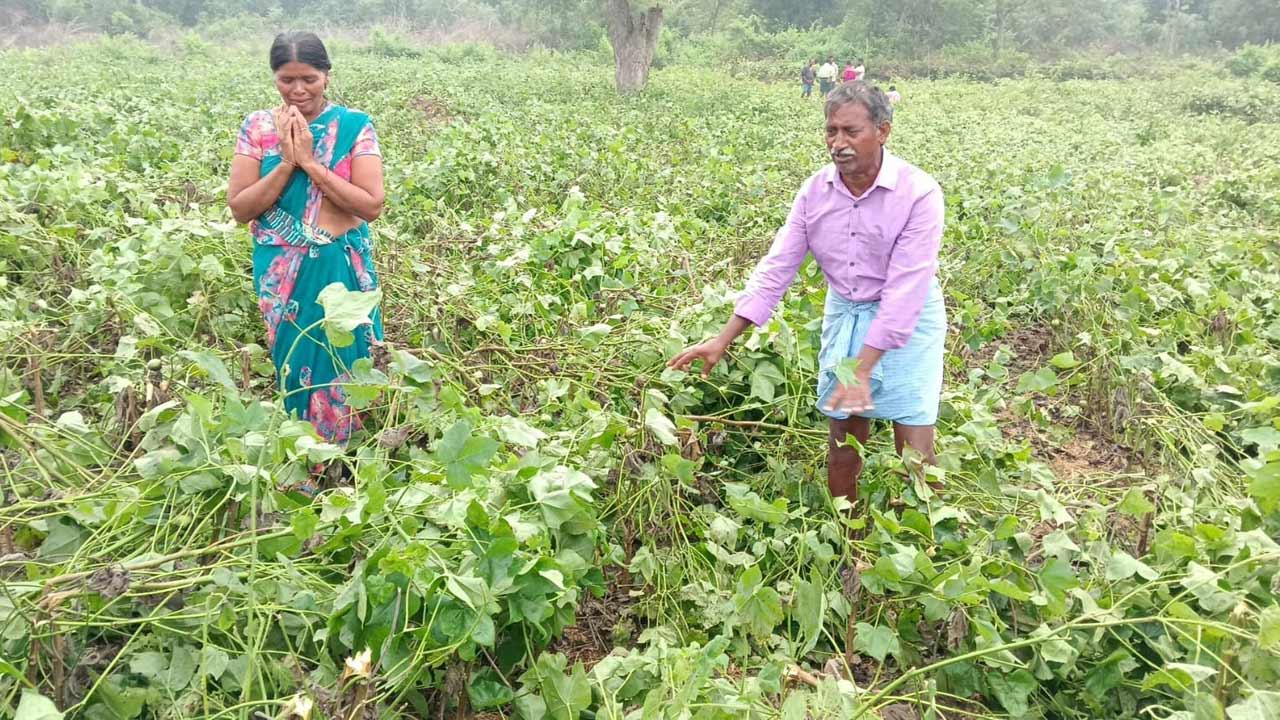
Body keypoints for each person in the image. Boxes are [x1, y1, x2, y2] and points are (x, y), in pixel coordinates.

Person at [669, 81, 945, 507]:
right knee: (843, 441)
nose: (839, 143)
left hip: (908, 320)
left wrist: (862, 370)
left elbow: (905, 291)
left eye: (851, 132)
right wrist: (722, 340)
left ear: (883, 131)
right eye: (832, 131)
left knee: (914, 451)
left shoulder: (919, 193)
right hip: (848, 311)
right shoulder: (815, 192)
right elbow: (777, 268)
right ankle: (849, 544)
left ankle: (927, 539)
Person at [227, 32, 386, 450]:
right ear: (274, 79)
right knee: (295, 356)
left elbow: (370, 205)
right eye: (286, 79)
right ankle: (305, 454)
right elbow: (241, 208)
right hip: (282, 272)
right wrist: (285, 162)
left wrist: (312, 164)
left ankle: (354, 453)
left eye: (309, 79)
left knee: (349, 356)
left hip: (340, 265)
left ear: (327, 77)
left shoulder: (355, 127)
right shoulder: (257, 128)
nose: (298, 90)